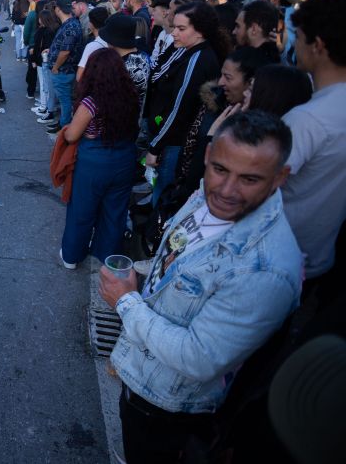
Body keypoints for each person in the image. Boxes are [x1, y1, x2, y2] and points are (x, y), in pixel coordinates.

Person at [101, 110, 302, 464]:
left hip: (167, 408)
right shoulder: (203, 195)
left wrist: (127, 302)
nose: (226, 191)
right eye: (220, 170)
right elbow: (178, 257)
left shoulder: (265, 269)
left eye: (250, 179)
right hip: (143, 378)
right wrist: (144, 280)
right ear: (208, 158)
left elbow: (198, 359)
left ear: (280, 178)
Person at [281, 0, 346, 281]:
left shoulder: (307, 120)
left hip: (285, 258)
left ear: (317, 45)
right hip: (322, 255)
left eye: (299, 36)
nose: (295, 44)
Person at [59, 49, 139, 269]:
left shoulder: (90, 103)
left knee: (82, 211)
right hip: (125, 159)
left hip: (94, 163)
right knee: (115, 212)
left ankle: (72, 256)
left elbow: (72, 135)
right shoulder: (131, 96)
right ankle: (108, 257)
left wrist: (66, 131)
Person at [145, 1, 227, 206]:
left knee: (163, 197)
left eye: (181, 29)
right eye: (174, 27)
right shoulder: (187, 50)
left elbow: (178, 109)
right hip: (170, 137)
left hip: (174, 143)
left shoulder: (197, 60)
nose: (173, 33)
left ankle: (156, 233)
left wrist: (155, 147)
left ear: (200, 31)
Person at [48, 0, 85, 130]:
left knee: (65, 100)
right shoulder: (71, 23)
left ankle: (65, 126)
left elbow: (65, 52)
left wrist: (55, 67)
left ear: (58, 9)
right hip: (66, 70)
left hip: (63, 71)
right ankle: (63, 123)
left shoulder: (70, 26)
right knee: (65, 100)